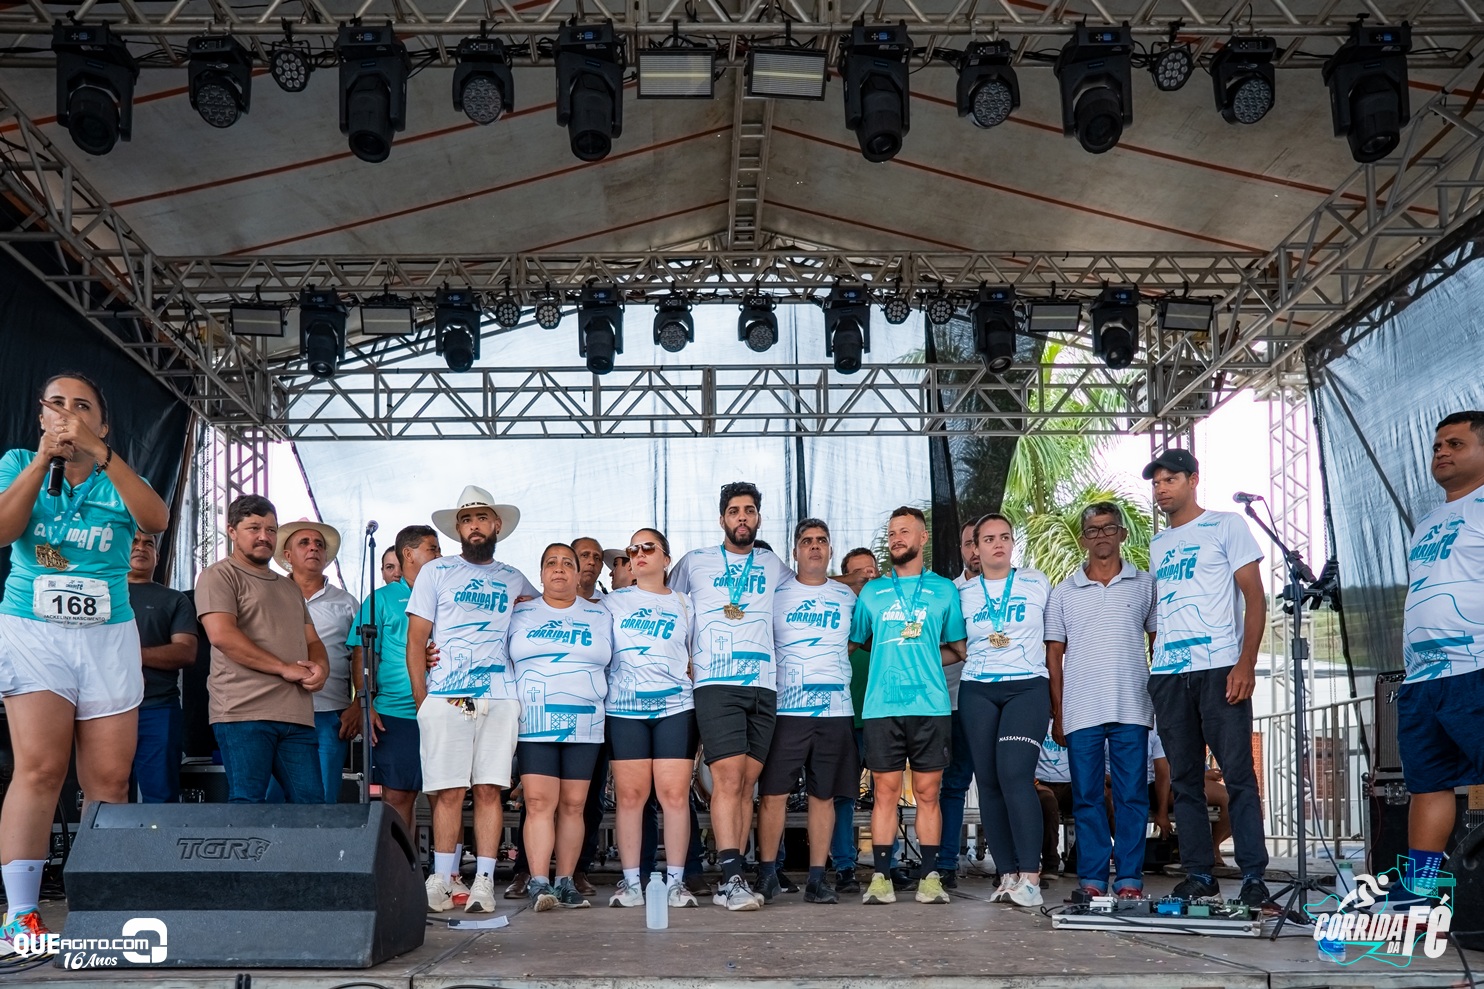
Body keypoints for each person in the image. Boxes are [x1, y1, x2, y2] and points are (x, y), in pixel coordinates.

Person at [0, 373, 170, 950]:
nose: (68, 413)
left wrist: (105, 457)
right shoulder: (19, 460)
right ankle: (21, 913)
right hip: (34, 629)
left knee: (108, 780)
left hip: (106, 635)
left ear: (102, 424)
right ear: (42, 417)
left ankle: (104, 904)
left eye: (83, 407)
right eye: (57, 404)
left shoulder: (119, 476)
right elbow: (3, 529)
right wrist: (40, 463)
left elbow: (156, 520)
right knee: (42, 769)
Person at [1145, 449, 1270, 907]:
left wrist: (1246, 662)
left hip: (1219, 666)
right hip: (1169, 673)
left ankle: (1254, 874)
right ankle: (1199, 872)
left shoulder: (1227, 524)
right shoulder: (1158, 544)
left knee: (1238, 774)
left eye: (1170, 479)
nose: (1161, 488)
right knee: (1184, 780)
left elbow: (1254, 597)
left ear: (1193, 480)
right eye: (1156, 482)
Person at [408, 486, 535, 915]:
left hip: (500, 697)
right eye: (466, 520)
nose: (474, 526)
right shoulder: (436, 572)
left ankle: (483, 880)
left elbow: (547, 615)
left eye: (482, 518)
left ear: (496, 525)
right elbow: (416, 638)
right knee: (447, 792)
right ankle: (442, 879)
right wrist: (423, 698)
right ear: (458, 529)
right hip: (447, 695)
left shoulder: (515, 577)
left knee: (488, 791)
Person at [668, 481, 795, 910]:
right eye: (735, 511)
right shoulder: (695, 562)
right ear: (721, 518)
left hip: (763, 684)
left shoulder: (773, 563)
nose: (743, 517)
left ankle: (734, 873)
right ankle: (730, 877)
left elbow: (808, 592)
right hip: (715, 681)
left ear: (759, 518)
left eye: (750, 511)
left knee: (746, 783)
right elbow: (666, 605)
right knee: (725, 779)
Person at [849, 506, 966, 906]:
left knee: (929, 793)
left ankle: (929, 877)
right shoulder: (872, 592)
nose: (897, 538)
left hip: (930, 705)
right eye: (892, 532)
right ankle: (881, 877)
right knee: (884, 791)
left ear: (922, 538)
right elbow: (859, 640)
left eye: (905, 531)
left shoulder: (944, 590)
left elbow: (958, 648)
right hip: (882, 705)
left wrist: (927, 662)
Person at [1044, 502, 1158, 899]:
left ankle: (1129, 879)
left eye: (1109, 528)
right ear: (1083, 538)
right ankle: (1092, 879)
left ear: (1122, 534)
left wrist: (1159, 697)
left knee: (1131, 796)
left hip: (1132, 706)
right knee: (1087, 798)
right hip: (1081, 710)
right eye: (1092, 530)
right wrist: (1057, 713)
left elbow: (1157, 643)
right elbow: (1053, 657)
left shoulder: (1146, 584)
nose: (1101, 536)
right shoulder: (1063, 592)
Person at [1395, 411, 1484, 909]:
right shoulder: (1427, 522)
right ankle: (1420, 890)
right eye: (1436, 446)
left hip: (1476, 666)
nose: (1442, 452)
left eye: (1456, 443)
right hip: (1424, 676)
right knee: (1428, 783)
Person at [196, 495, 329, 803]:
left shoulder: (289, 586)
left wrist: (321, 668)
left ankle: (301, 856)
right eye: (254, 528)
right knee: (248, 804)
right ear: (231, 531)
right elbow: (222, 636)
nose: (264, 536)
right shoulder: (219, 574)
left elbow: (312, 641)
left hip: (296, 714)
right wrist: (284, 668)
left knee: (313, 809)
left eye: (271, 530)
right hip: (243, 712)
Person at [757, 519, 859, 905]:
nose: (814, 547)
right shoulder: (775, 594)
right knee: (773, 795)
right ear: (795, 551)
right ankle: (767, 873)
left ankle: (818, 878)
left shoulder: (847, 598)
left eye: (821, 541)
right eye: (806, 542)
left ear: (830, 550)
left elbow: (854, 641)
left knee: (824, 797)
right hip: (786, 710)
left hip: (835, 710)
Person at [508, 543, 612, 911]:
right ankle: (539, 883)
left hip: (586, 723)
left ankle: (565, 881)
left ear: (578, 570)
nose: (559, 569)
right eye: (551, 562)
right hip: (534, 722)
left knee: (574, 804)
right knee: (538, 802)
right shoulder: (519, 613)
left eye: (567, 563)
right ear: (540, 573)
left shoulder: (600, 615)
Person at [958, 513, 1053, 908]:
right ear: (975, 549)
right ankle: (1007, 874)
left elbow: (1055, 638)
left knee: (1015, 773)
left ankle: (1030, 876)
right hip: (978, 688)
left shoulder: (1037, 582)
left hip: (1028, 686)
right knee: (989, 782)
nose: (998, 544)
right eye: (989, 539)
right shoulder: (958, 592)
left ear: (1013, 543)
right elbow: (952, 640)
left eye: (1005, 537)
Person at [604, 528, 700, 910]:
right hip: (624, 709)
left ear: (666, 559)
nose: (639, 554)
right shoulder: (612, 603)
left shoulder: (686, 603)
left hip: (676, 707)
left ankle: (676, 882)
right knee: (630, 797)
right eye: (633, 549)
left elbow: (700, 653)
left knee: (674, 796)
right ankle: (631, 883)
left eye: (648, 548)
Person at [347, 525, 441, 831]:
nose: (440, 555)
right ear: (410, 555)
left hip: (444, 708)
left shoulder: (449, 594)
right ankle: (399, 875)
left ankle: (444, 874)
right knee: (398, 797)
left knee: (445, 796)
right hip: (395, 713)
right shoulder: (381, 599)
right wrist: (365, 703)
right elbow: (361, 653)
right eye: (433, 549)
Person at [276, 519, 359, 804]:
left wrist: (358, 704)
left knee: (323, 801)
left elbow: (361, 658)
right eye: (304, 543)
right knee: (271, 803)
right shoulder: (269, 595)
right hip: (277, 711)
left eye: (319, 544)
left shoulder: (347, 603)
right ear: (287, 556)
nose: (313, 548)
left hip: (329, 713)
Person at [126, 530, 197, 803]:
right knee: (107, 794)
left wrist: (129, 654)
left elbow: (186, 653)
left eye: (149, 544)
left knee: (161, 795)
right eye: (133, 541)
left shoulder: (174, 599)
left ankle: (158, 847)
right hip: (105, 706)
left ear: (157, 556)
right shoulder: (98, 594)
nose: (141, 547)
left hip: (158, 707)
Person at [830, 546, 879, 894]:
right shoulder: (837, 610)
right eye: (858, 574)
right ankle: (844, 865)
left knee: (888, 794)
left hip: (881, 713)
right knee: (844, 795)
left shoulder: (887, 610)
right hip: (845, 715)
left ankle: (885, 867)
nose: (866, 578)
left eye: (871, 572)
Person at [935, 520, 978, 887]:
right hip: (952, 702)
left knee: (1005, 782)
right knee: (952, 784)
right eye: (969, 543)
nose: (976, 550)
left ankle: (1015, 866)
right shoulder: (949, 592)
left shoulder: (1023, 586)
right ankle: (945, 864)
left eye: (983, 542)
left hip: (1002, 699)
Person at [1034, 723, 1073, 877]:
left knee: (1099, 801)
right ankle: (1050, 863)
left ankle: (1076, 861)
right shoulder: (1035, 719)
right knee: (1048, 804)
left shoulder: (1073, 717)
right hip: (1041, 783)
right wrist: (1035, 783)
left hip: (1071, 784)